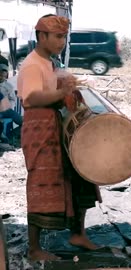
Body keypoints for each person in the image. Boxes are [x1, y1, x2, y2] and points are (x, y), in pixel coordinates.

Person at [17, 14, 101, 261]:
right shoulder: (33, 64)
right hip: (39, 128)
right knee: (42, 182)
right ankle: (34, 248)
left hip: (54, 126)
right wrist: (61, 91)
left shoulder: (49, 63)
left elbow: (53, 90)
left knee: (79, 175)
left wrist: (67, 86)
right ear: (41, 36)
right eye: (57, 36)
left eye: (64, 37)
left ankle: (78, 234)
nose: (62, 41)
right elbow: (31, 98)